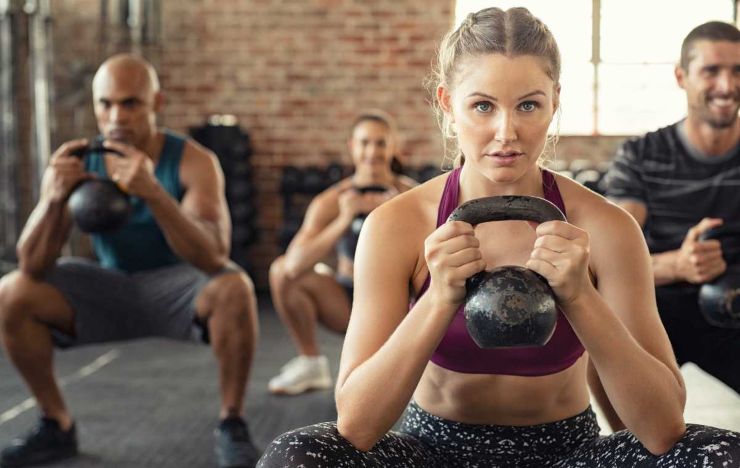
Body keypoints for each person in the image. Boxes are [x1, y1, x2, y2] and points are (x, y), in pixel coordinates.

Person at [257, 8, 740, 467]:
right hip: (432, 453)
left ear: (555, 102)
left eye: (528, 104)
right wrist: (438, 298)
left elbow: (661, 430)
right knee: (296, 456)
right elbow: (357, 425)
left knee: (721, 455)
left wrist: (579, 296)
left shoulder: (607, 228)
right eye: (483, 106)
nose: (505, 132)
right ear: (448, 104)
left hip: (566, 453)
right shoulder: (396, 224)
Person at [0, 54, 260, 468]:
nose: (116, 116)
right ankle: (57, 424)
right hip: (108, 287)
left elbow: (215, 256)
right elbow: (31, 265)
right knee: (11, 292)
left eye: (130, 103)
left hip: (177, 288)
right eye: (105, 104)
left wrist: (155, 193)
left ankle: (232, 422)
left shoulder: (194, 161)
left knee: (236, 287)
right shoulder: (81, 162)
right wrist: (52, 199)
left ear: (157, 103)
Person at [593, 21, 740, 432]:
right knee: (602, 334)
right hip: (656, 313)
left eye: (738, 71)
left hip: (733, 310)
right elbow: (605, 263)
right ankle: (633, 448)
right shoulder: (642, 155)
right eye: (712, 71)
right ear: (682, 76)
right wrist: (678, 265)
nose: (727, 86)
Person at [268, 111, 416, 395]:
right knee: (279, 270)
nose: (372, 152)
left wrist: (397, 215)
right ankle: (311, 363)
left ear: (394, 146)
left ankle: (430, 367)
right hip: (349, 301)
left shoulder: (411, 196)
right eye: (364, 143)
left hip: (402, 304)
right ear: (352, 147)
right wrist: (343, 219)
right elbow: (293, 266)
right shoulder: (331, 201)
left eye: (380, 143)